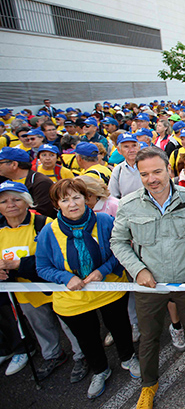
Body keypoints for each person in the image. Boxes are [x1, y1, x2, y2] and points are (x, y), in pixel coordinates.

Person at [110, 146, 185, 409]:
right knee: (149, 336)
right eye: (145, 174)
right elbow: (118, 242)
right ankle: (148, 384)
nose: (152, 178)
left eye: (157, 171)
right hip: (149, 285)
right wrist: (138, 270)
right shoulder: (129, 204)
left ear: (169, 169)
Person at [36, 178, 138, 399]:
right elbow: (42, 267)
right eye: (65, 200)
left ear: (86, 199)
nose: (72, 204)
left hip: (109, 289)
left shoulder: (104, 221)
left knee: (120, 327)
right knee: (87, 337)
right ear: (57, 205)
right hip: (72, 299)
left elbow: (120, 251)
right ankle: (100, 370)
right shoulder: (48, 232)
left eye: (76, 197)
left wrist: (102, 270)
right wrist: (64, 277)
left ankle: (128, 358)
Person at [0, 181, 87, 382]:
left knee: (69, 323)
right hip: (24, 291)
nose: (10, 204)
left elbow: (54, 257)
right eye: (4, 201)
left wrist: (16, 264)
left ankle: (81, 354)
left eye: (16, 199)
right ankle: (53, 355)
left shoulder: (45, 223)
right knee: (40, 325)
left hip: (55, 285)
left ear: (27, 202)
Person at [0, 147, 56, 218]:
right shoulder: (4, 181)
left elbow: (43, 213)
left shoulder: (41, 183)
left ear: (14, 164)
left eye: (0, 163)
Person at [108, 133, 143, 199]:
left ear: (139, 147)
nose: (131, 150)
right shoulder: (118, 170)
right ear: (119, 150)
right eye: (126, 147)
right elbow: (113, 196)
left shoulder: (149, 167)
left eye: (134, 146)